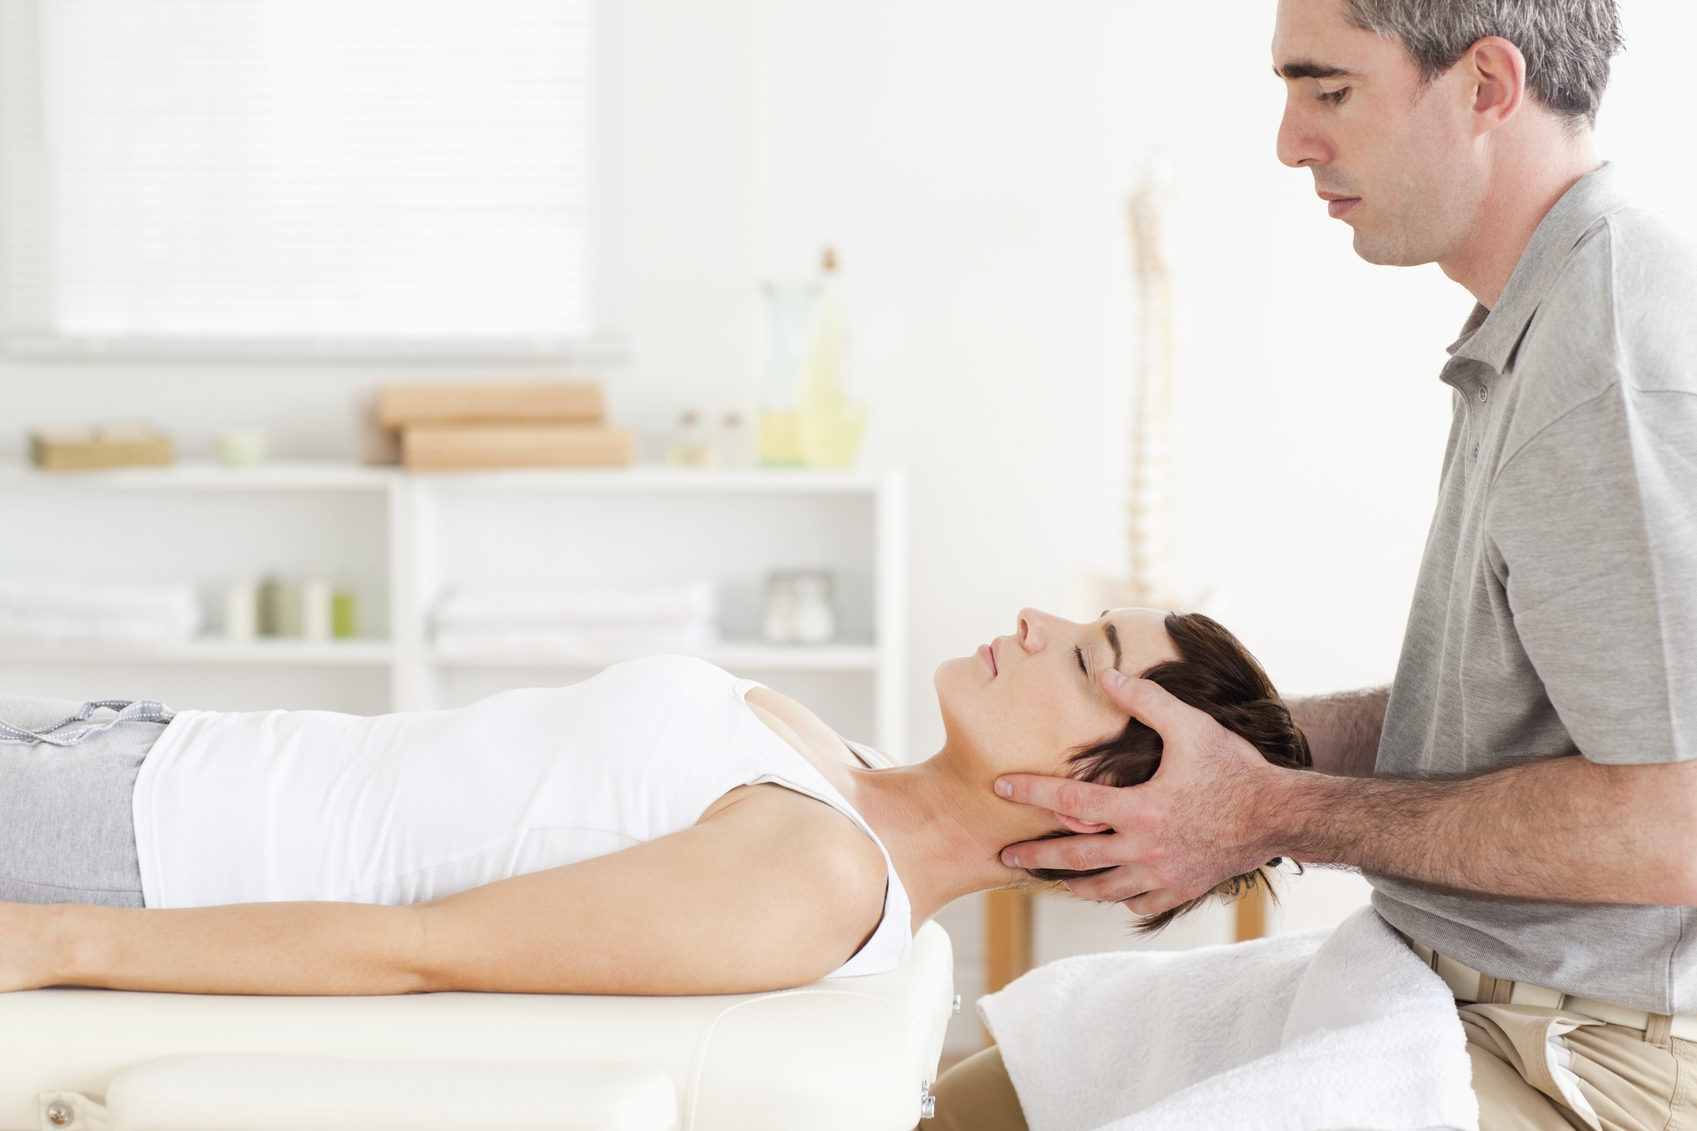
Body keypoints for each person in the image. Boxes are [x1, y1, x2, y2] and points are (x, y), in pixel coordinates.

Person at [930, 1, 1697, 1128]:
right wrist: (1239, 751)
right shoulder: (1535, 314)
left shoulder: (1607, 360)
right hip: (1432, 979)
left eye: (1326, 89)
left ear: (1485, 86)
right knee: (972, 1103)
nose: (1289, 140)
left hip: (1577, 1056)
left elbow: (1673, 823)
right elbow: (1527, 724)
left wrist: (1271, 813)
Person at [0, 607, 1306, 998]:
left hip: (124, 851)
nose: (1043, 620)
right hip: (150, 753)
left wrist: (53, 943)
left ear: (1092, 805)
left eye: (1088, 657)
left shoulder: (816, 881)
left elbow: (419, 947)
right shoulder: (844, 773)